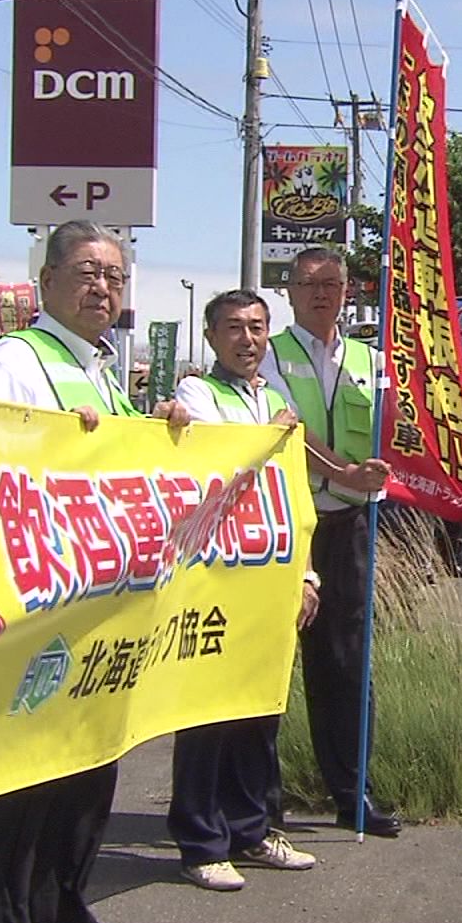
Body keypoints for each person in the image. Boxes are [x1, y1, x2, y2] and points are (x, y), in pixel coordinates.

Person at [0, 219, 186, 923]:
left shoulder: (100, 368)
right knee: (27, 793)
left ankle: (61, 907)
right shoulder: (15, 362)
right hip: (41, 623)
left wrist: (162, 426)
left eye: (114, 277)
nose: (103, 288)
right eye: (87, 273)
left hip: (99, 623)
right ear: (48, 280)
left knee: (86, 782)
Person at [164, 288, 319, 890]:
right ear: (210, 337)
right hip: (212, 579)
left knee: (260, 711)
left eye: (257, 327)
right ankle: (202, 841)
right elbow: (215, 469)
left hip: (268, 577)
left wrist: (306, 574)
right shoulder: (199, 395)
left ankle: (252, 830)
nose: (247, 339)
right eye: (233, 327)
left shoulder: (275, 398)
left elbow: (291, 498)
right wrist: (265, 438)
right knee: (205, 715)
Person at [256, 247, 401, 838]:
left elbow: (395, 429)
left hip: (349, 527)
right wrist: (342, 471)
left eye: (333, 282)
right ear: (288, 292)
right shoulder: (268, 354)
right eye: (309, 282)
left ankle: (352, 791)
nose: (321, 292)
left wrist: (379, 474)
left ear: (349, 291)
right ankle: (260, 804)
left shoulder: (372, 359)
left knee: (348, 664)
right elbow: (282, 426)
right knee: (265, 663)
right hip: (286, 525)